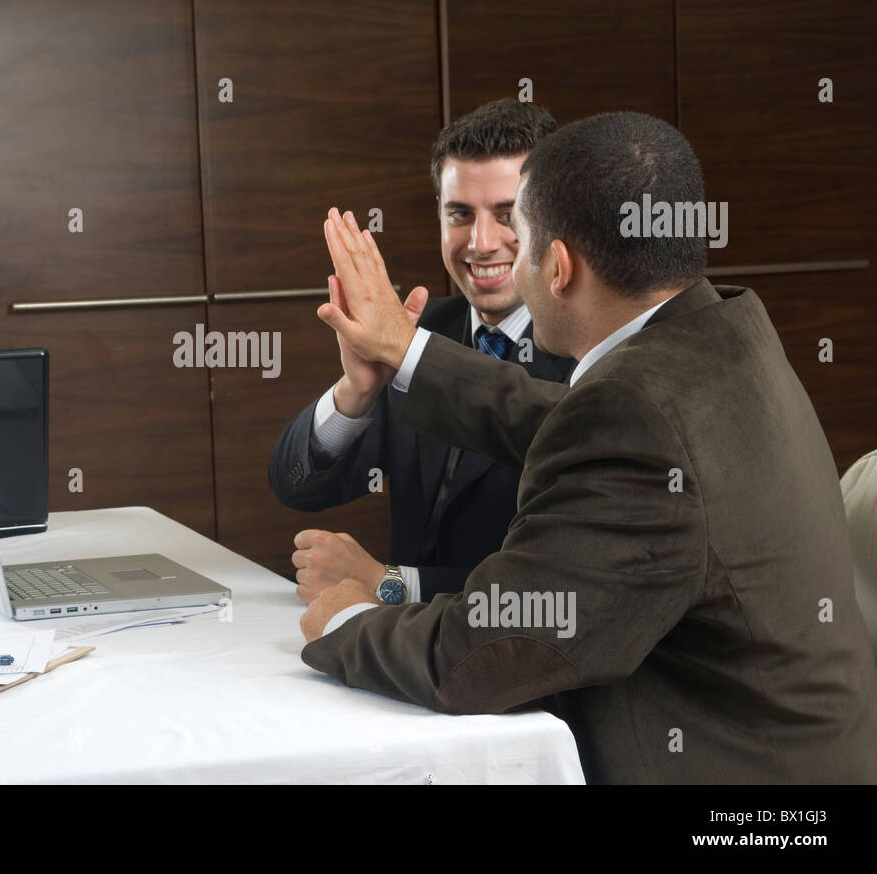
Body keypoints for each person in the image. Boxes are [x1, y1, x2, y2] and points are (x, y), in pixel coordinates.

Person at [297, 112, 877, 783]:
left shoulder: (634, 415)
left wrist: (352, 620)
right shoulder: (726, 331)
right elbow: (559, 416)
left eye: (522, 243)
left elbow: (483, 654)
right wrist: (404, 352)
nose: (503, 260)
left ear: (559, 265)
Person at [269, 100, 573, 605]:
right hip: (395, 658)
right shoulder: (424, 329)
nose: (481, 242)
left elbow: (561, 588)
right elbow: (298, 489)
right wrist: (355, 392)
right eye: (459, 214)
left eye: (508, 214)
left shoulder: (591, 359)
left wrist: (389, 584)